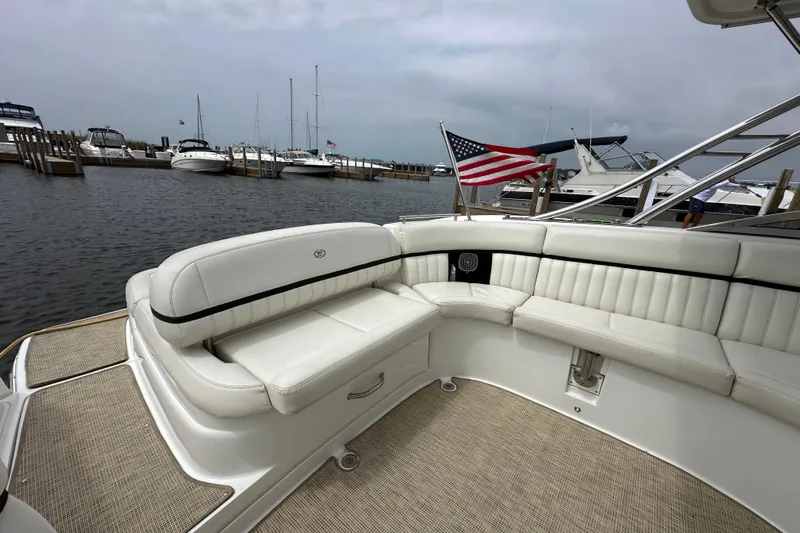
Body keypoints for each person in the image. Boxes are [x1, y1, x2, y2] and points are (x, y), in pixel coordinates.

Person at [682, 176, 747, 228]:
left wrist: (739, 186)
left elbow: (726, 185)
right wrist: (728, 180)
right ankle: (684, 228)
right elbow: (715, 186)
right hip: (697, 199)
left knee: (700, 214)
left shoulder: (717, 182)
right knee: (691, 213)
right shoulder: (711, 182)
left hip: (701, 200)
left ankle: (693, 227)